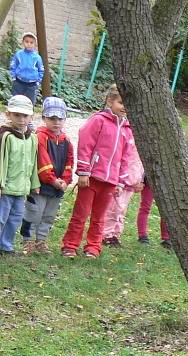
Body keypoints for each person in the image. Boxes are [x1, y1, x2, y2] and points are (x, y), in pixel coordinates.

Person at [61, 84, 134, 259]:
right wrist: (84, 172)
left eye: (128, 104)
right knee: (81, 214)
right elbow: (86, 145)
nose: (124, 107)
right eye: (121, 102)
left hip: (110, 183)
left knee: (99, 217)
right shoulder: (98, 120)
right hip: (91, 178)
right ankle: (70, 246)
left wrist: (120, 182)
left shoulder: (127, 129)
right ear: (110, 101)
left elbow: (126, 157)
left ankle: (93, 247)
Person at [22, 96, 73, 254]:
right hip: (41, 184)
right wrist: (52, 180)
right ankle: (27, 241)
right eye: (52, 118)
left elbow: (70, 161)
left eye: (60, 118)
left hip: (57, 187)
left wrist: (65, 180)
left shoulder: (66, 140)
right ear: (44, 117)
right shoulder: (40, 136)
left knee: (49, 215)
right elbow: (42, 160)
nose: (56, 122)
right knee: (34, 213)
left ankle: (41, 241)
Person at [0, 95, 40, 255]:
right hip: (6, 188)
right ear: (8, 114)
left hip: (21, 189)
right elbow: (1, 161)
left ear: (32, 116)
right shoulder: (6, 136)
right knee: (1, 218)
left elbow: (34, 162)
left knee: (15, 219)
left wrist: (34, 183)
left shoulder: (32, 138)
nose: (21, 119)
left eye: (25, 115)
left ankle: (6, 245)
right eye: (17, 115)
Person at [102, 141, 144, 247]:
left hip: (133, 180)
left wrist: (141, 179)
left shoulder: (143, 142)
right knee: (114, 209)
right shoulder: (127, 137)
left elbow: (141, 164)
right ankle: (106, 234)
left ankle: (116, 234)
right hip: (120, 180)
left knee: (121, 210)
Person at [9, 32, 44, 106]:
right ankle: (15, 115)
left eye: (31, 42)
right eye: (27, 41)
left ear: (35, 44)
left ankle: (29, 116)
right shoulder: (19, 54)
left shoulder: (37, 57)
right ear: (23, 42)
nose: (29, 44)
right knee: (16, 100)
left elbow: (41, 69)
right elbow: (13, 65)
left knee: (29, 103)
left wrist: (38, 81)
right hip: (19, 82)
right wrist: (13, 77)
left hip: (32, 84)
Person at [136, 183, 171, 249]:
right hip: (149, 181)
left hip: (168, 182)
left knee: (166, 210)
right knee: (145, 207)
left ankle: (166, 238)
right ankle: (142, 236)